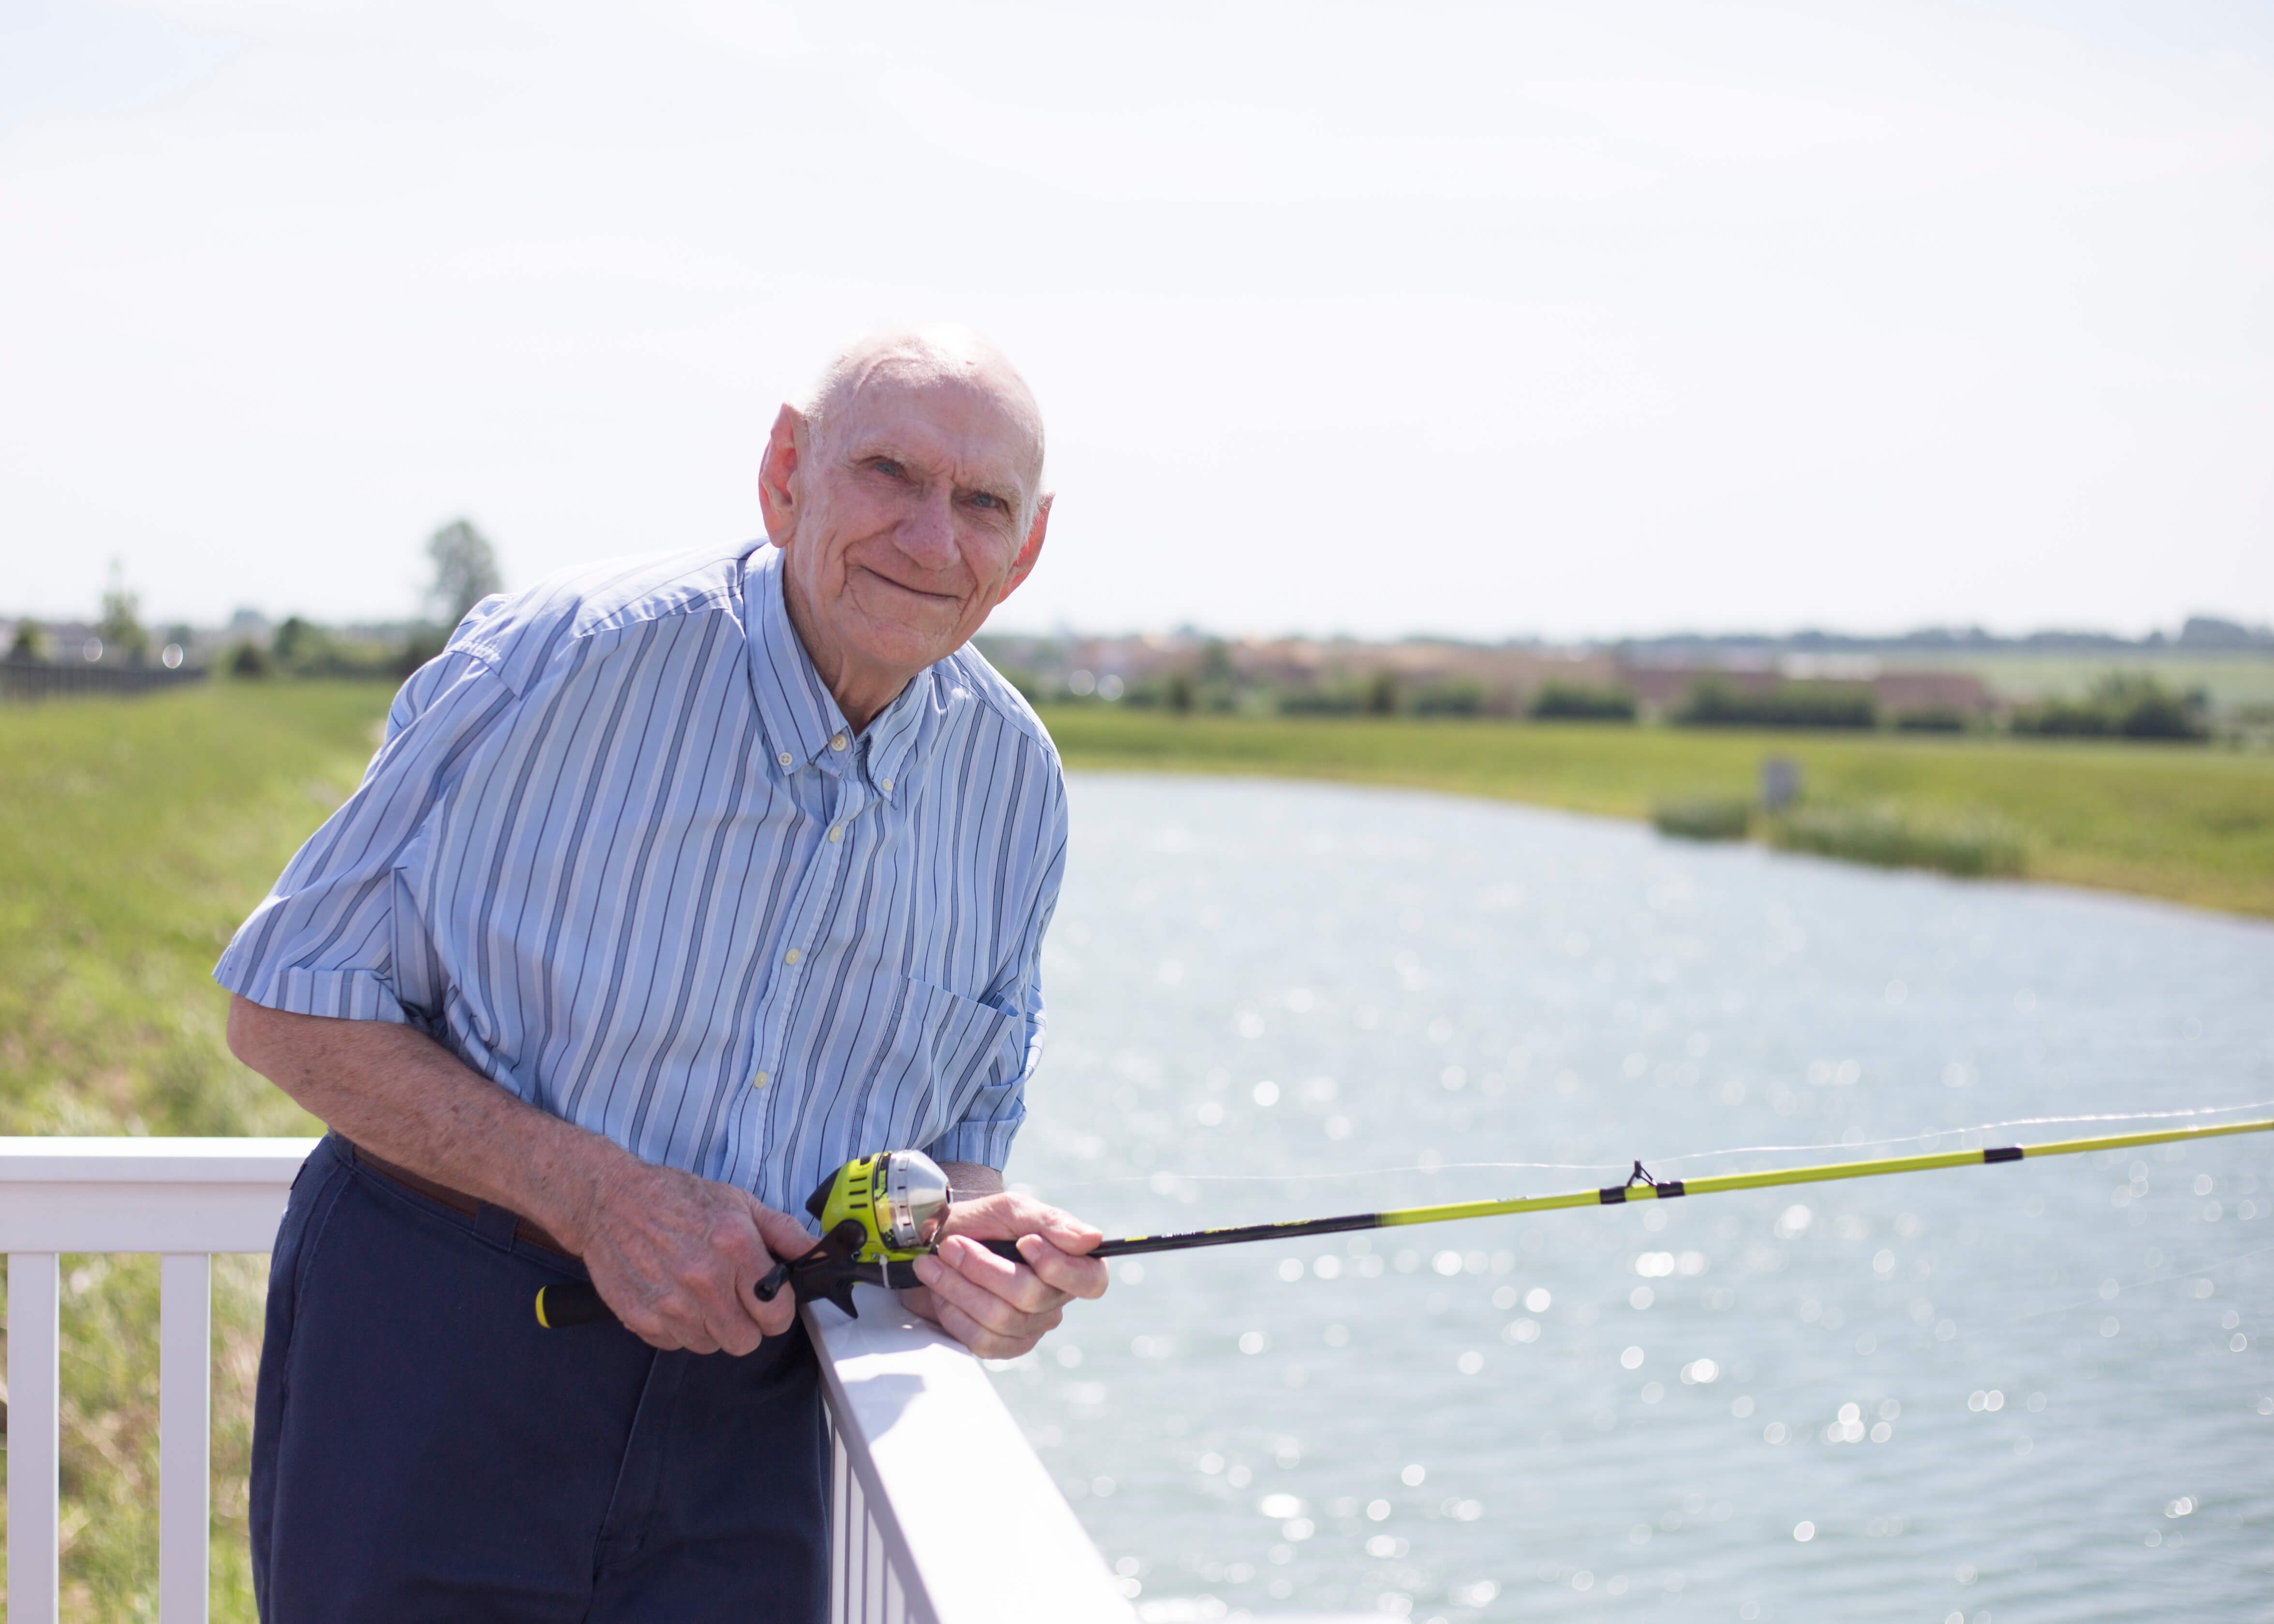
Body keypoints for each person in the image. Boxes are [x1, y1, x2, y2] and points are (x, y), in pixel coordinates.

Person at [218, 327, 1108, 1623]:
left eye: (981, 503)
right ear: (786, 473)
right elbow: (282, 1005)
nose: (933, 538)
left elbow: (953, 1156)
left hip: (756, 1413)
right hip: (441, 1349)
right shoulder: (559, 658)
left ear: (1025, 549)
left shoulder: (1016, 786)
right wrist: (598, 1197)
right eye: (887, 474)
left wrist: (974, 1252)